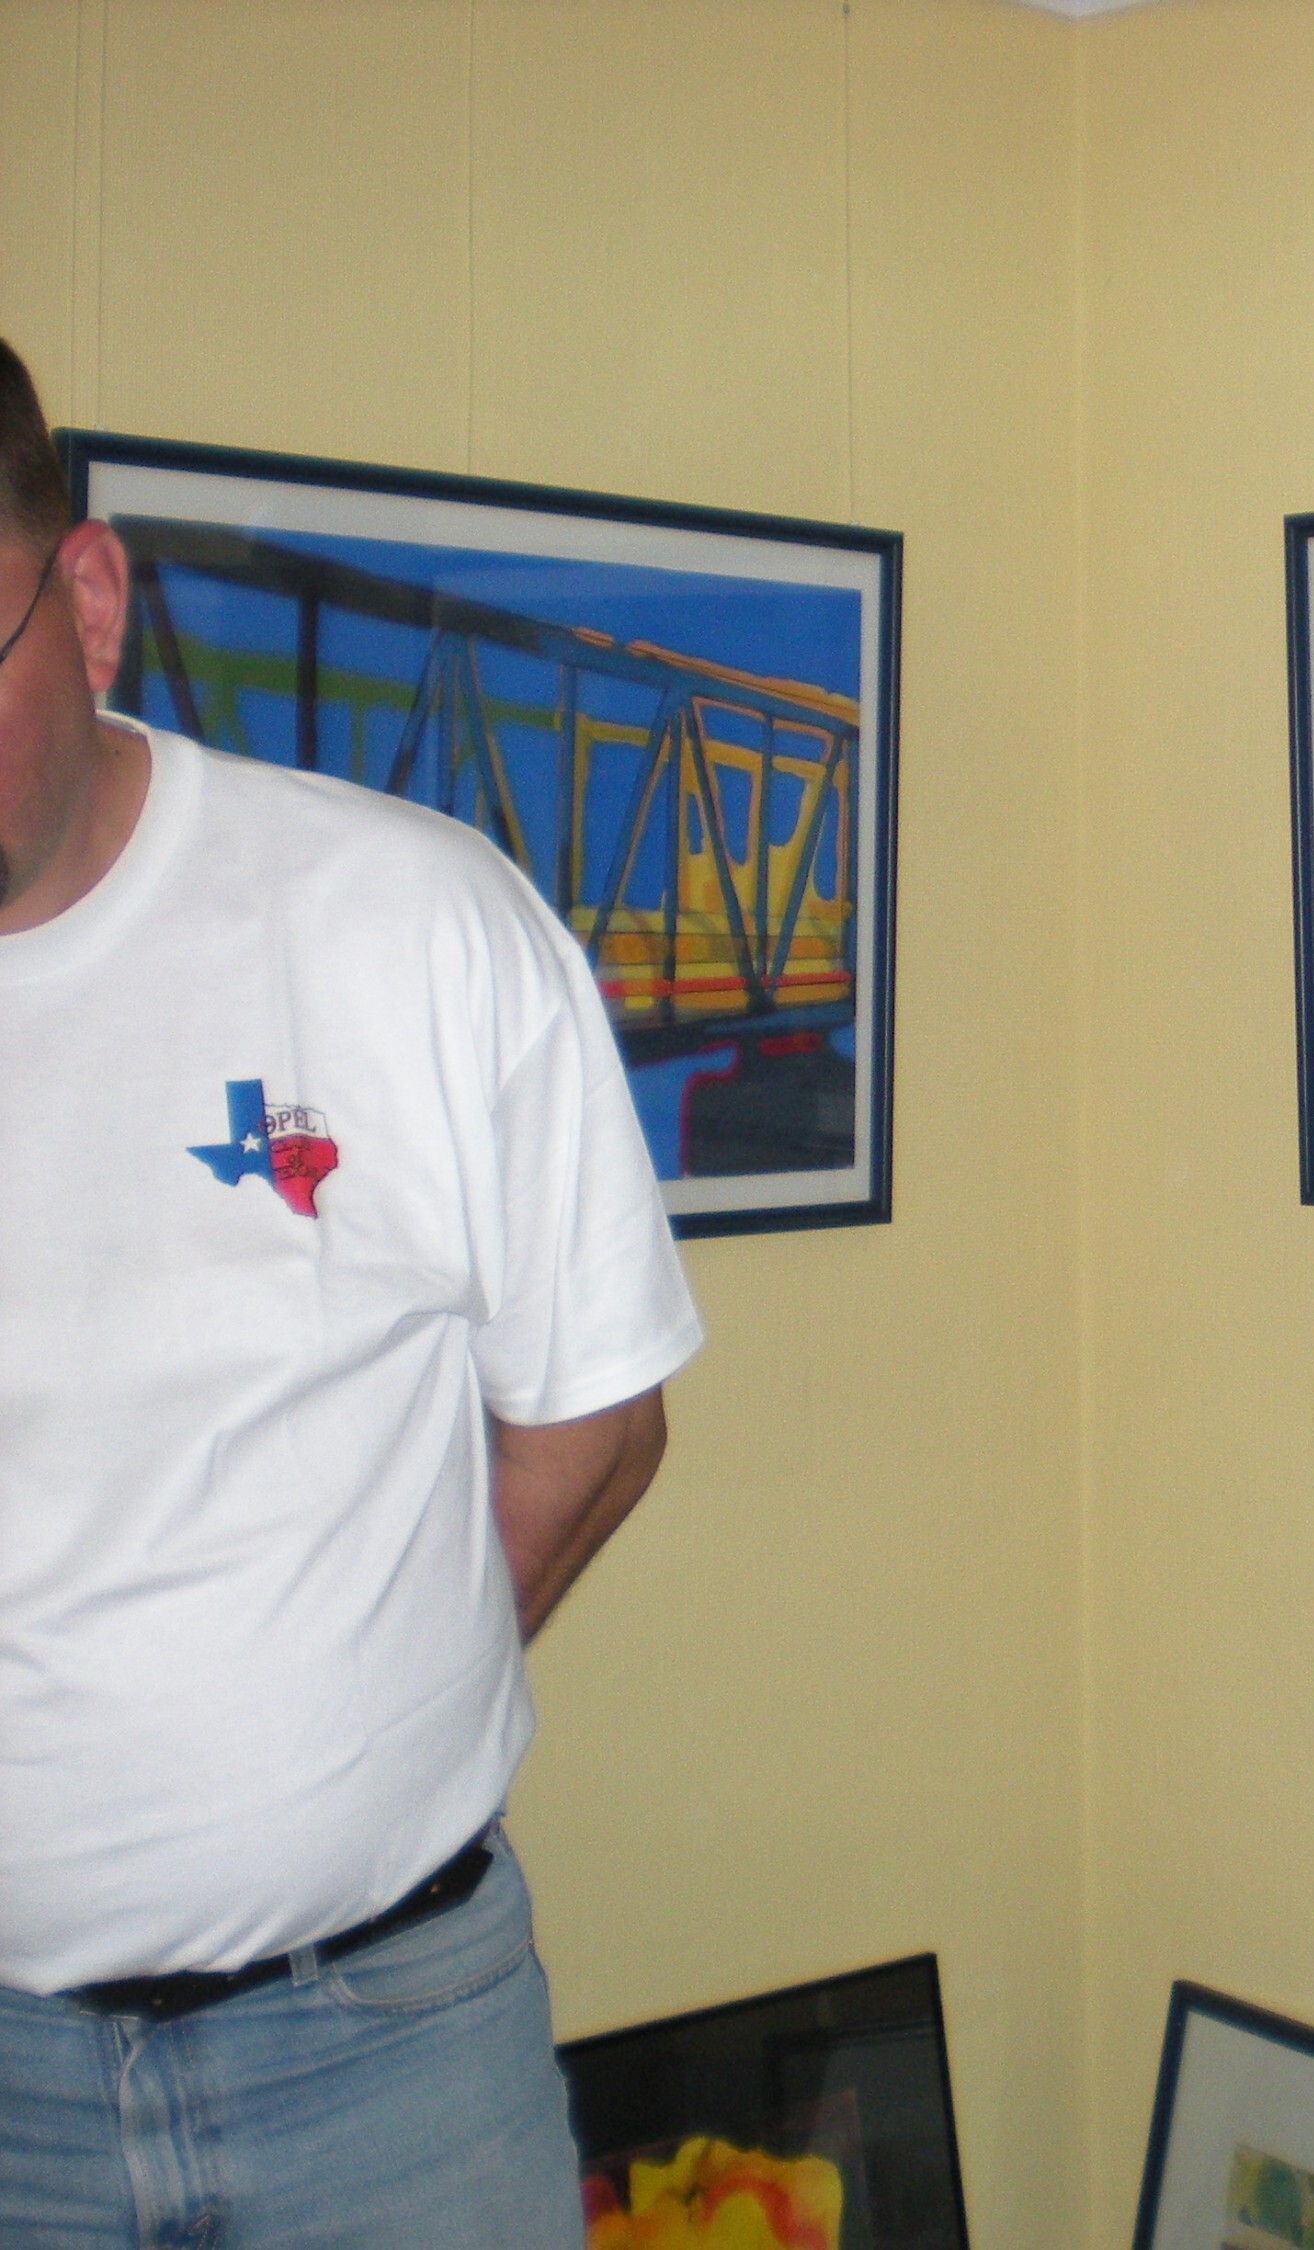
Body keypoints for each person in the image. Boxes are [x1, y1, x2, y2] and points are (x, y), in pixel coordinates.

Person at [0, 336, 704, 2246]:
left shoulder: (412, 924)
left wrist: (348, 1712)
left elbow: (597, 1422)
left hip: (383, 2055)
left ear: (89, 599)